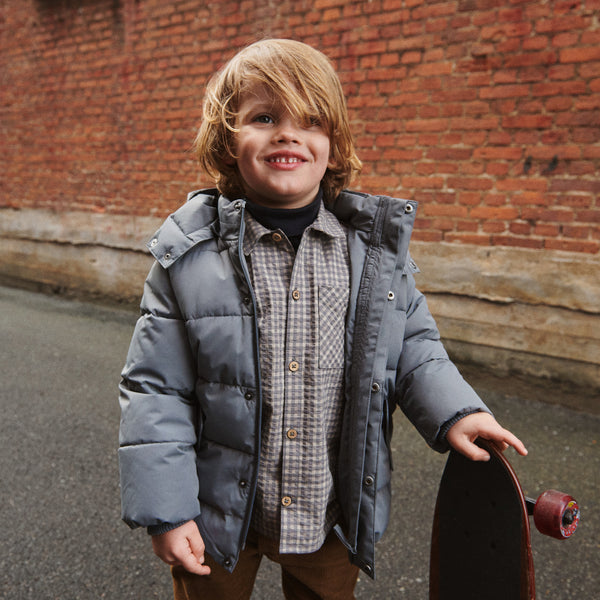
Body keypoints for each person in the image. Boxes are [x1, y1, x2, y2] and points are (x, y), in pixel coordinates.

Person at [118, 38, 527, 599]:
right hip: (214, 511)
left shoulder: (373, 255)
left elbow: (414, 346)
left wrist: (457, 412)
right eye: (264, 117)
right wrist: (167, 512)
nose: (287, 133)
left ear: (333, 147)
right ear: (228, 139)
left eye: (310, 121)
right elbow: (155, 391)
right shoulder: (187, 258)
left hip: (328, 514)